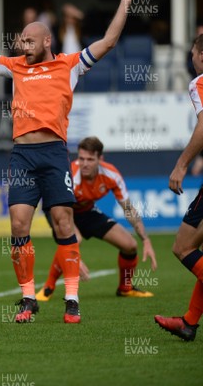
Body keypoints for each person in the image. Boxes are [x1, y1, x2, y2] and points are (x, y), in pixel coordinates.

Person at [0, 0, 141, 324]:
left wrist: (125, 2)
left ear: (46, 42)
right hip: (22, 155)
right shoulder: (15, 67)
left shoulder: (70, 65)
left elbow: (109, 41)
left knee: (63, 222)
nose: (22, 45)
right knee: (19, 224)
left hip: (54, 153)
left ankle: (71, 299)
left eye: (28, 41)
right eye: (21, 41)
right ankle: (28, 298)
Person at [35, 136, 157, 302]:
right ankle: (48, 288)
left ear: (100, 159)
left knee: (130, 245)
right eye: (81, 158)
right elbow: (63, 212)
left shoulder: (111, 174)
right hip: (58, 209)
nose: (84, 164)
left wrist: (146, 240)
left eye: (90, 159)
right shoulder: (70, 174)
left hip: (86, 211)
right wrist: (74, 256)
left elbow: (128, 209)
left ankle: (125, 288)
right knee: (74, 240)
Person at [154, 34, 203, 341]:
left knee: (183, 246)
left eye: (193, 54)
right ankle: (188, 322)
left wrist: (182, 164)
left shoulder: (199, 82)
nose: (192, 60)